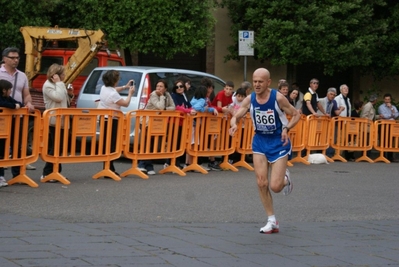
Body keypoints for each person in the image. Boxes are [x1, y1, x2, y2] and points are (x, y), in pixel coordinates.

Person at [229, 68, 300, 234]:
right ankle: (271, 220)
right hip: (260, 142)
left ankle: (285, 180)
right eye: (254, 81)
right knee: (261, 182)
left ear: (268, 82)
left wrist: (286, 129)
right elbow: (236, 115)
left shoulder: (278, 98)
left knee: (275, 186)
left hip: (278, 142)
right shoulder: (250, 99)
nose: (257, 84)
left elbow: (296, 115)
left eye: (260, 81)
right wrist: (234, 124)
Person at [0, 47, 36, 176]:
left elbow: (26, 94)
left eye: (17, 58)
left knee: (18, 145)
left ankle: (18, 174)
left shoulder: (22, 75)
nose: (16, 60)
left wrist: (29, 103)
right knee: (1, 146)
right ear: (4, 59)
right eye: (12, 58)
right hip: (2, 117)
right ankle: (1, 176)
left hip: (18, 115)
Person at [97, 70, 135, 177]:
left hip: (103, 119)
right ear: (114, 80)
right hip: (112, 120)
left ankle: (108, 167)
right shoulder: (113, 94)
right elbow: (126, 104)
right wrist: (130, 93)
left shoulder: (104, 88)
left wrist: (125, 86)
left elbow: (114, 90)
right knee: (111, 144)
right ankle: (109, 168)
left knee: (106, 143)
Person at [41, 64, 75, 182]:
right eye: (62, 74)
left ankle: (56, 171)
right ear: (55, 75)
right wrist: (60, 84)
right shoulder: (48, 86)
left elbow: (64, 101)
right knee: (54, 147)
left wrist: (70, 94)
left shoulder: (59, 85)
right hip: (53, 121)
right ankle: (47, 173)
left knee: (59, 147)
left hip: (62, 120)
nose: (65, 76)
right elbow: (59, 98)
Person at [138, 79, 175, 175]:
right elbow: (160, 107)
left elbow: (173, 107)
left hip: (157, 123)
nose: (158, 88)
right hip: (146, 121)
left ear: (165, 88)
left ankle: (148, 165)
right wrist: (162, 97)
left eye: (161, 86)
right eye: (157, 86)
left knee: (154, 144)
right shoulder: (154, 94)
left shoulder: (167, 95)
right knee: (147, 143)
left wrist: (166, 108)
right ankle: (142, 165)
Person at [166, 79, 196, 169]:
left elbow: (189, 105)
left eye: (181, 86)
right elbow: (177, 107)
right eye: (177, 87)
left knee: (179, 143)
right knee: (173, 143)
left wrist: (191, 110)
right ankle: (170, 163)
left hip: (181, 123)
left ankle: (175, 163)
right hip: (173, 122)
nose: (179, 88)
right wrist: (188, 111)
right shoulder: (173, 96)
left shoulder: (184, 96)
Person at [0, 79, 24, 187]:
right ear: (4, 90)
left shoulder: (7, 97)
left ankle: (1, 176)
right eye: (9, 89)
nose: (11, 91)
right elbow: (3, 104)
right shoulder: (2, 99)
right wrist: (14, 106)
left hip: (4, 128)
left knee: (2, 152)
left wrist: (17, 104)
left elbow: (19, 103)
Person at [187, 85, 218, 167]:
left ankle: (190, 163)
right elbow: (196, 108)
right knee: (194, 142)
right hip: (194, 123)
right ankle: (193, 163)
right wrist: (206, 109)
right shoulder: (201, 100)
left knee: (192, 142)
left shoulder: (194, 98)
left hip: (191, 122)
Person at [378, 93, 399, 162]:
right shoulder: (381, 107)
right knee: (383, 140)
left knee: (390, 140)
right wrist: (391, 115)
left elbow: (396, 115)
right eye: (386, 99)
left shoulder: (393, 107)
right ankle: (382, 156)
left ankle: (390, 157)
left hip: (391, 125)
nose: (387, 101)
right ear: (384, 99)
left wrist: (391, 109)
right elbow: (383, 115)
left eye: (388, 99)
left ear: (390, 100)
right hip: (383, 125)